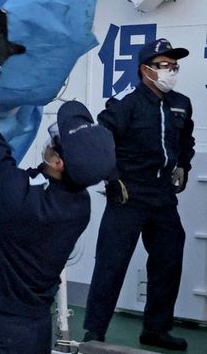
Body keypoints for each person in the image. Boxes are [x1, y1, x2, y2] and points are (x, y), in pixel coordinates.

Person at [0, 10, 116, 354]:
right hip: (34, 330)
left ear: (57, 160)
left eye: (54, 140)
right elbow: (14, 199)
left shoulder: (16, 196)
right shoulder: (77, 207)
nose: (49, 141)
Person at [83, 38, 195, 351]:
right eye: (164, 65)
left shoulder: (181, 103)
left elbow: (186, 138)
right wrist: (112, 178)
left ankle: (156, 330)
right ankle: (94, 331)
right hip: (128, 194)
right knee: (111, 263)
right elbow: (102, 140)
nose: (171, 70)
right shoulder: (126, 102)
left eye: (174, 65)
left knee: (168, 260)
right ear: (145, 70)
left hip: (162, 196)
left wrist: (183, 164)